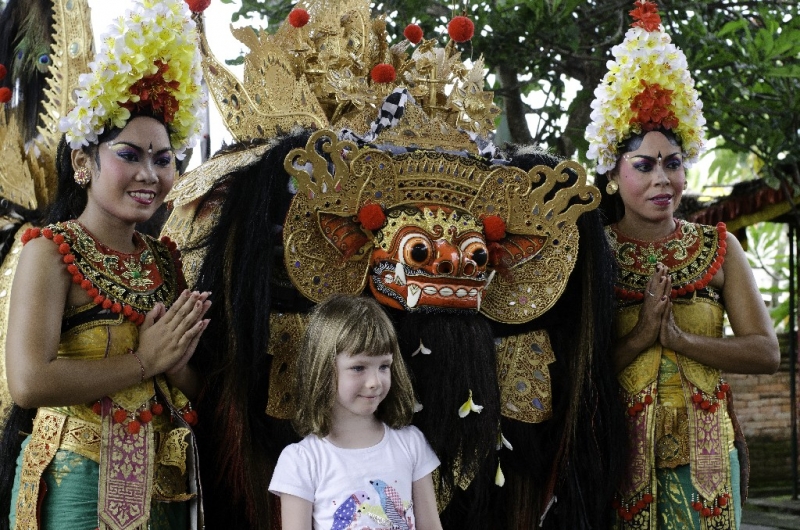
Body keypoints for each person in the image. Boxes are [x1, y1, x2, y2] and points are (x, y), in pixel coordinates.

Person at [2, 0, 207, 528]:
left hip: (164, 484)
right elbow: (28, 381)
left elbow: (194, 385)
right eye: (130, 154)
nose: (150, 174)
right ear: (82, 163)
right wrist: (145, 360)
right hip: (75, 485)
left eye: (163, 159)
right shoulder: (49, 251)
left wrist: (177, 363)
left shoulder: (165, 260)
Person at [585, 2, 780, 529]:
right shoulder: (591, 254)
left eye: (673, 164)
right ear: (613, 173)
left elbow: (765, 352)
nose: (661, 180)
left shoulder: (720, 248)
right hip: (619, 453)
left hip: (708, 452)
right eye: (643, 166)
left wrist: (681, 340)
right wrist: (644, 333)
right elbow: (580, 369)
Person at [268, 294, 443, 530]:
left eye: (384, 366)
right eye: (358, 367)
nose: (374, 382)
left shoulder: (411, 444)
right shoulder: (302, 461)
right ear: (323, 370)